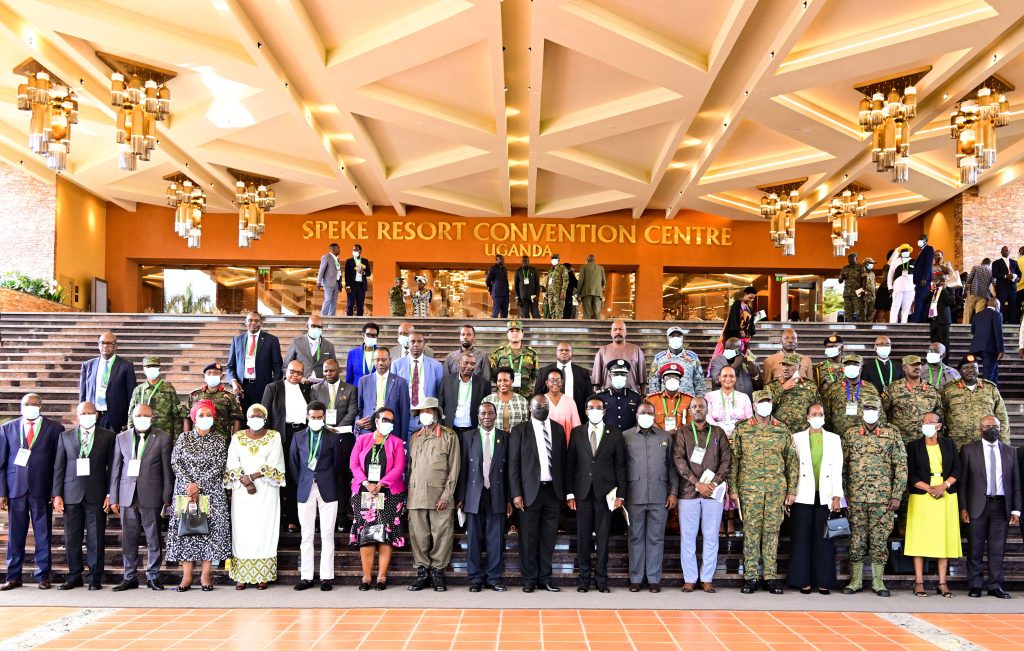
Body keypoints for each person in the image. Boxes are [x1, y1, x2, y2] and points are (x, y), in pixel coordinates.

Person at [730, 391, 797, 595]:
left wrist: (792, 489)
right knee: (751, 534)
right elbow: (735, 461)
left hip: (776, 489)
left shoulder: (782, 429)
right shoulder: (742, 429)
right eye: (761, 402)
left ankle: (770, 576)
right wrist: (733, 490)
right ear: (754, 404)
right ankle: (750, 576)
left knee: (771, 533)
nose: (764, 405)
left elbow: (791, 462)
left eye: (768, 402)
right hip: (750, 490)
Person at [841, 397, 906, 597]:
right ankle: (856, 580)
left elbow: (901, 466)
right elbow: (841, 467)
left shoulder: (891, 433)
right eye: (867, 407)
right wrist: (843, 496)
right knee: (857, 540)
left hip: (883, 498)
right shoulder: (851, 434)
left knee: (879, 541)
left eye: (874, 408)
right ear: (861, 410)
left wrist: (897, 495)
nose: (870, 411)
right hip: (856, 498)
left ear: (880, 411)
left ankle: (878, 582)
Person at [165, 400, 232, 592]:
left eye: (208, 415)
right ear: (194, 418)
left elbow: (219, 465)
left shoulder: (219, 440)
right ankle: (186, 576)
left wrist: (199, 485)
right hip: (185, 492)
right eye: (201, 415)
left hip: (211, 491)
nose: (205, 419)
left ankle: (205, 575)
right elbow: (176, 463)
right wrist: (190, 485)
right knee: (186, 531)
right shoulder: (184, 438)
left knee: (208, 532)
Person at [0, 394, 61, 590]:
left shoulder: (54, 429)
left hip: (41, 488)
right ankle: (13, 576)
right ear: (21, 406)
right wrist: (2, 492)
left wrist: (55, 490)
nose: (30, 407)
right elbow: (1, 463)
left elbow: (58, 464)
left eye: (34, 404)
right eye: (27, 404)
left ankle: (42, 575)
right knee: (15, 534)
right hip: (15, 488)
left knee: (43, 533)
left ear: (41, 407)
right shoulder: (7, 428)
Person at [52, 401, 115, 591]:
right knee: (72, 537)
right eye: (83, 412)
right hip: (71, 494)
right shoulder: (65, 436)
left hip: (96, 493)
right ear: (77, 416)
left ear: (96, 415)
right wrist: (57, 494)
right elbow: (59, 467)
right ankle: (74, 575)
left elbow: (113, 468)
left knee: (96, 537)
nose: (87, 415)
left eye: (91, 412)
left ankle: (95, 576)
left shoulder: (108, 436)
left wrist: (109, 493)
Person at [110, 403, 173, 591]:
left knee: (153, 538)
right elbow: (115, 469)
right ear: (133, 416)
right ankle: (129, 576)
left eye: (146, 415)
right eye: (139, 415)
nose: (142, 418)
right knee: (129, 539)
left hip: (151, 494)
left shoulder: (162, 438)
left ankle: (153, 576)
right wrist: (114, 497)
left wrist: (167, 496)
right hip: (127, 495)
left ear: (152, 417)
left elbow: (166, 470)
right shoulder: (121, 438)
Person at [566, 397, 625, 593]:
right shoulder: (577, 433)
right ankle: (584, 580)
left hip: (605, 493)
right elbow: (570, 465)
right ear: (585, 410)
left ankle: (601, 580)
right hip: (582, 493)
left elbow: (620, 466)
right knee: (583, 538)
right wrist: (570, 493)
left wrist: (621, 494)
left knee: (602, 537)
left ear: (604, 411)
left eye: (598, 408)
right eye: (591, 408)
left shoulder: (615, 434)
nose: (595, 410)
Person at [960, 415, 1022, 599]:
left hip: (1001, 506)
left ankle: (995, 585)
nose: (991, 429)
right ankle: (976, 585)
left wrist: (1016, 509)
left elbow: (1015, 482)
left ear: (1000, 428)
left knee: (997, 548)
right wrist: (963, 507)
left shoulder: (1011, 452)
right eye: (987, 426)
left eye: (995, 425)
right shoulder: (968, 450)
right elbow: (963, 482)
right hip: (976, 506)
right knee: (975, 548)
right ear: (980, 429)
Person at [224, 404, 285, 590]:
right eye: (252, 415)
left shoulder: (274, 436)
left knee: (264, 529)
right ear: (247, 418)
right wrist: (246, 481)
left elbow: (275, 464)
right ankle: (241, 575)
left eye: (259, 415)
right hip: (242, 491)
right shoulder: (237, 437)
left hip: (266, 490)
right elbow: (232, 462)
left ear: (265, 417)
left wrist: (252, 477)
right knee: (243, 530)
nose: (255, 418)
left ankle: (262, 575)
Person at [510, 395, 567, 592]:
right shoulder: (520, 430)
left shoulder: (558, 430)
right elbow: (513, 465)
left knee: (548, 537)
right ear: (530, 408)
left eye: (545, 405)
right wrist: (516, 493)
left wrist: (566, 493)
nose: (542, 408)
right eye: (537, 406)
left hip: (553, 491)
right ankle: (529, 579)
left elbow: (563, 463)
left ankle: (545, 578)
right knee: (528, 537)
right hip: (528, 493)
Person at [673, 397, 730, 593]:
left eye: (702, 406)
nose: (698, 409)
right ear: (689, 410)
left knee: (711, 537)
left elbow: (726, 461)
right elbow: (678, 459)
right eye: (694, 406)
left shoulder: (718, 432)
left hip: (712, 493)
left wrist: (713, 483)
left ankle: (707, 578)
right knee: (687, 537)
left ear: (708, 409)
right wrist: (696, 482)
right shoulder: (682, 432)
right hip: (688, 492)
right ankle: (689, 578)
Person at [787, 403, 843, 594]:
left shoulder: (834, 439)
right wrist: (790, 492)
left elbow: (838, 469)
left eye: (820, 413)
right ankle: (802, 580)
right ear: (807, 417)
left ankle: (824, 581)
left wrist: (837, 496)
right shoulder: (796, 438)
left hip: (826, 495)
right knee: (801, 539)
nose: (817, 416)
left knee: (824, 540)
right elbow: (792, 468)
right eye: (813, 414)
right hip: (803, 494)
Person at [406, 398, 461, 592]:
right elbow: (410, 468)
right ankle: (422, 573)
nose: (424, 415)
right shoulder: (414, 437)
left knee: (442, 536)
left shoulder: (449, 436)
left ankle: (438, 573)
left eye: (428, 411)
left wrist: (447, 496)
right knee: (419, 536)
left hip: (440, 497)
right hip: (416, 495)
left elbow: (454, 469)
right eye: (421, 412)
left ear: (436, 413)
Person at [350, 407, 408, 591]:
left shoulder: (397, 442)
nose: (388, 424)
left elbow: (399, 468)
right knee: (367, 534)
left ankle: (382, 576)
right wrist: (367, 483)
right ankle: (366, 576)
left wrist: (381, 484)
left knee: (385, 534)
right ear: (376, 421)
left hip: (389, 493)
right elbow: (354, 463)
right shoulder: (362, 439)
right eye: (385, 420)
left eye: (391, 421)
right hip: (364, 492)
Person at [623, 402, 678, 593]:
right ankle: (636, 578)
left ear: (655, 415)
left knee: (656, 538)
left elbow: (672, 466)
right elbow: (621, 467)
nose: (646, 415)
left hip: (659, 495)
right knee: (635, 537)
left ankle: (654, 579)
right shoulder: (626, 436)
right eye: (642, 412)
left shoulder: (665, 436)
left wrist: (673, 493)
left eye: (649, 413)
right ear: (636, 415)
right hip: (634, 495)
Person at [456, 402, 511, 592]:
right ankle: (475, 579)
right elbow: (462, 468)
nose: (486, 416)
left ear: (495, 415)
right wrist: (461, 496)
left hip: (497, 494)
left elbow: (510, 471)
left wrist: (510, 497)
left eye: (490, 413)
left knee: (495, 539)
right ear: (477, 416)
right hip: (473, 494)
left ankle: (494, 578)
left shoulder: (505, 437)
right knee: (474, 539)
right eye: (482, 413)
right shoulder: (468, 437)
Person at [905, 412, 961, 598]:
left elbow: (957, 470)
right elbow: (910, 474)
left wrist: (944, 486)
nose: (926, 425)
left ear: (939, 425)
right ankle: (919, 582)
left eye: (930, 422)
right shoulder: (914, 446)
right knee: (919, 538)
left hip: (945, 494)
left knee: (942, 539)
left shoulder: (949, 444)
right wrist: (930, 488)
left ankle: (942, 583)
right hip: (922, 494)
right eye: (924, 422)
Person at [289, 401, 343, 591]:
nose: (316, 420)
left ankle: (326, 577)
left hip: (327, 488)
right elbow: (293, 464)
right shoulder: (298, 437)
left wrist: (325, 479)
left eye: (320, 418)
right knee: (307, 535)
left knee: (327, 534)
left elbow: (338, 466)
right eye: (313, 417)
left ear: (324, 418)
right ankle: (306, 577)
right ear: (307, 417)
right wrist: (305, 481)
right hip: (305, 489)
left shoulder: (333, 438)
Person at [262, 359, 311, 533]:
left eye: (299, 373)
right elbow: (264, 415)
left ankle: (293, 519)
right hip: (280, 436)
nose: (295, 375)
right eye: (292, 371)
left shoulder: (306, 389)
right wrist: (267, 441)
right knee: (279, 476)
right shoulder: (273, 388)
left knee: (296, 477)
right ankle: (277, 518)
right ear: (285, 371)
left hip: (301, 436)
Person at [310, 358, 358, 531]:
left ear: (339, 370)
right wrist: (324, 427)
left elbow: (352, 412)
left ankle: (341, 518)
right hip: (320, 439)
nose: (328, 374)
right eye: (325, 371)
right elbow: (312, 410)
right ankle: (319, 519)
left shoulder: (351, 389)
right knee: (321, 478)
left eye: (331, 370)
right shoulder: (315, 389)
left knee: (342, 478)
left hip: (343, 439)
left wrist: (335, 428)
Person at [941, 354, 1010, 449]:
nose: (970, 370)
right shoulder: (949, 390)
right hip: (958, 444)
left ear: (978, 370)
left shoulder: (990, 388)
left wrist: (1004, 443)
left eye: (974, 367)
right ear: (960, 371)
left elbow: (1002, 417)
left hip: (985, 442)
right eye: (966, 368)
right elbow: (941, 415)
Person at [79, 332, 137, 433]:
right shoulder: (88, 366)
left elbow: (131, 395)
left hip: (116, 418)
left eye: (109, 343)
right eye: (102, 343)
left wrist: (129, 420)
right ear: (98, 345)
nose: (105, 346)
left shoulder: (126, 366)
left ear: (115, 346)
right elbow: (83, 394)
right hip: (93, 416)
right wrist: (83, 413)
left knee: (114, 447)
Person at [226, 312, 283, 412]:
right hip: (242, 388)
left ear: (261, 323)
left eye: (256, 320)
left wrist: (274, 386)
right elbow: (230, 366)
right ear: (245, 322)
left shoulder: (272, 340)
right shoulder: (237, 340)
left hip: (264, 387)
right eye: (250, 320)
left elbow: (278, 366)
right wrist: (233, 382)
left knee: (262, 416)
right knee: (243, 418)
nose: (253, 323)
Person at [881, 355, 943, 444]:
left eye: (918, 365)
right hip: (902, 441)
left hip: (926, 440)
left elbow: (939, 413)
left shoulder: (932, 389)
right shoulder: (893, 388)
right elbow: (883, 412)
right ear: (904, 368)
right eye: (913, 365)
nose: (917, 368)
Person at [392, 332, 443, 434]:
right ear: (408, 344)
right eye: (413, 341)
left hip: (426, 414)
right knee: (406, 447)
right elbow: (394, 392)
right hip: (405, 414)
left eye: (419, 341)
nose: (416, 344)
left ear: (424, 344)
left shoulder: (436, 365)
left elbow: (439, 392)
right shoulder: (397, 364)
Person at [356, 348, 411, 440]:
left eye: (384, 360)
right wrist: (357, 421)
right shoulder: (363, 381)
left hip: (392, 432)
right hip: (368, 431)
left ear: (390, 360)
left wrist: (403, 439)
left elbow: (404, 413)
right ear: (374, 361)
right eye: (377, 360)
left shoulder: (400, 382)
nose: (380, 363)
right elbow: (359, 408)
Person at [823, 354, 883, 438]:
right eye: (847, 365)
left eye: (855, 365)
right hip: (839, 435)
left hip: (863, 439)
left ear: (861, 368)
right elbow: (827, 413)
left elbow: (880, 413)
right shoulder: (834, 388)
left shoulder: (871, 388)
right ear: (843, 368)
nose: (851, 367)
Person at [128, 356, 184, 441]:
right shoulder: (138, 390)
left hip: (164, 436)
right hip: (142, 435)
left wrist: (176, 440)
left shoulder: (169, 389)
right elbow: (131, 415)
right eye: (148, 366)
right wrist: (130, 438)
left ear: (160, 368)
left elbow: (177, 417)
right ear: (143, 369)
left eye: (154, 366)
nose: (151, 369)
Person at [766, 351, 822, 435]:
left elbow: (817, 409)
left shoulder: (810, 386)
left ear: (798, 367)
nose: (785, 368)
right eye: (783, 365)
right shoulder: (772, 386)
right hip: (780, 432)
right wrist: (782, 388)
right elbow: (766, 409)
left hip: (803, 433)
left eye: (789, 365)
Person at [534, 342, 590, 424]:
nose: (564, 352)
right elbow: (537, 396)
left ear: (572, 353)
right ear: (556, 352)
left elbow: (588, 397)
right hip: (549, 418)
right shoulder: (543, 372)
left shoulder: (583, 373)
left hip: (575, 418)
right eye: (561, 350)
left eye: (567, 350)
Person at [186, 362, 243, 437]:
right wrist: (187, 437)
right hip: (197, 439)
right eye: (209, 373)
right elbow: (187, 417)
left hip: (222, 439)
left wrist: (234, 440)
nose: (212, 375)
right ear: (205, 375)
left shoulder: (230, 396)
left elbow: (237, 419)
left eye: (216, 373)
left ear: (221, 376)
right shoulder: (194, 395)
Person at [489, 320, 539, 400]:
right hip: (504, 397)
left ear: (522, 333)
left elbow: (534, 375)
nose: (514, 333)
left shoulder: (531, 353)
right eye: (511, 331)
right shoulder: (498, 353)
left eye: (517, 331)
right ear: (507, 333)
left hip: (525, 398)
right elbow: (494, 375)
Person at [592, 320, 646, 393]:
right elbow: (596, 381)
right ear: (611, 332)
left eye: (620, 329)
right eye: (615, 329)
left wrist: (643, 396)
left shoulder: (636, 350)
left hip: (632, 397)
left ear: (626, 332)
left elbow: (643, 379)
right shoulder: (602, 351)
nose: (618, 332)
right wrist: (597, 397)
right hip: (607, 397)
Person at [648, 326, 704, 396]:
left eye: (678, 336)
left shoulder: (693, 357)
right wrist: (655, 401)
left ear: (683, 338)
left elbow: (699, 382)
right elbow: (653, 382)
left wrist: (699, 399)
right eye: (672, 336)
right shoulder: (659, 358)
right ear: (667, 339)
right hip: (666, 401)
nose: (675, 338)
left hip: (688, 400)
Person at [283, 314, 337, 380]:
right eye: (313, 326)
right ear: (307, 326)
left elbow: (334, 367)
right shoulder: (297, 342)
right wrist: (296, 378)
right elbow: (286, 365)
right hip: (300, 382)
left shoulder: (329, 346)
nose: (316, 329)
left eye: (319, 327)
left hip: (321, 385)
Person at [706, 366, 753, 436]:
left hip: (739, 435)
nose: (728, 379)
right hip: (716, 435)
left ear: (735, 378)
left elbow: (749, 418)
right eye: (725, 376)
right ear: (719, 378)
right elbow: (707, 417)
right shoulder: (710, 396)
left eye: (731, 376)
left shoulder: (744, 397)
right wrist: (719, 432)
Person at [596, 360, 642, 432]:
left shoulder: (635, 397)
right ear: (609, 376)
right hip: (607, 438)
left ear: (627, 376)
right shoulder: (600, 397)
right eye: (616, 374)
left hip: (629, 439)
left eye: (622, 374)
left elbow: (639, 421)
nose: (619, 376)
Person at [647, 363, 694, 434]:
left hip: (681, 438)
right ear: (663, 381)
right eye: (668, 377)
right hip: (658, 438)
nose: (672, 380)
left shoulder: (689, 400)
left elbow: (690, 422)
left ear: (680, 382)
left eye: (675, 377)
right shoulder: (651, 400)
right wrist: (664, 434)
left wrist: (677, 433)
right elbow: (649, 421)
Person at [483, 367, 531, 432]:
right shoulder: (487, 400)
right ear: (496, 382)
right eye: (499, 380)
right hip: (494, 439)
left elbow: (525, 425)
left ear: (512, 381)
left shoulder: (522, 401)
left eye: (506, 380)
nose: (502, 383)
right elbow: (481, 424)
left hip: (516, 439)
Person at [971, 298, 1005, 384]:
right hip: (990, 349)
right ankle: (985, 395)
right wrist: (1001, 350)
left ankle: (994, 393)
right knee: (988, 376)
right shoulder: (997, 314)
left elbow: (973, 331)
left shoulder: (977, 315)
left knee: (994, 371)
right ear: (997, 305)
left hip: (976, 347)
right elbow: (998, 332)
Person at [541, 368, 580, 441]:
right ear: (547, 383)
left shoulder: (570, 401)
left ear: (562, 382)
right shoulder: (541, 401)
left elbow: (576, 426)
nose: (555, 383)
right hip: (546, 442)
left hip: (566, 442)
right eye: (552, 380)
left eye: (558, 380)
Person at [992, 245, 1021, 324]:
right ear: (1001, 252)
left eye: (1007, 250)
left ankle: (1013, 324)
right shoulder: (996, 262)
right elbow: (994, 274)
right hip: (1002, 288)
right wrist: (1005, 276)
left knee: (1013, 306)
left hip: (1012, 287)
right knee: (1000, 306)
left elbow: (1019, 273)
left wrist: (1017, 279)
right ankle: (999, 323)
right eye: (1004, 250)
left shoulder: (1014, 262)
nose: (1006, 251)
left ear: (1009, 252)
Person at [928, 274, 956, 357]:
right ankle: (935, 358)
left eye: (939, 281)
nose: (937, 283)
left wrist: (944, 290)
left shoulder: (949, 290)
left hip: (943, 320)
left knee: (944, 343)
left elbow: (951, 302)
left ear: (944, 282)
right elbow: (924, 300)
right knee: (934, 342)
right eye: (935, 281)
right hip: (933, 320)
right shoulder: (933, 290)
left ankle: (945, 361)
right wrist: (931, 291)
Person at [345, 322, 380, 387]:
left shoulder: (381, 353)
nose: (371, 337)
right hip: (357, 391)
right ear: (363, 335)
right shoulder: (353, 353)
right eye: (368, 335)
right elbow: (349, 377)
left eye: (374, 335)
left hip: (376, 391)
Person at [888, 244, 916, 323]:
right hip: (897, 288)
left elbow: (916, 275)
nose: (905, 252)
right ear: (900, 252)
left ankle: (904, 324)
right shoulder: (895, 261)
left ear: (909, 252)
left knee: (906, 308)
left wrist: (915, 287)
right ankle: (892, 323)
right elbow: (890, 275)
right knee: (895, 307)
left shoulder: (913, 261)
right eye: (903, 251)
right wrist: (890, 287)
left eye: (906, 250)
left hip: (910, 288)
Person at [911, 234, 935, 323]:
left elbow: (928, 264)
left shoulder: (929, 249)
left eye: (920, 239)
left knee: (919, 301)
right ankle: (920, 321)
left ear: (925, 241)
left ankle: (914, 322)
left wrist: (924, 278)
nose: (919, 241)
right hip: (919, 281)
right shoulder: (921, 251)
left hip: (923, 281)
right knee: (919, 301)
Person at [964, 258, 994, 324]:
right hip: (983, 294)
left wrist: (965, 291)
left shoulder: (975, 268)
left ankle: (965, 326)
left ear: (982, 262)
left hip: (973, 292)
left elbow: (969, 280)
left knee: (968, 310)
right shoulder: (991, 271)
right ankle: (978, 326)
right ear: (989, 264)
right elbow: (994, 283)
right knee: (979, 313)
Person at [344, 243, 371, 316]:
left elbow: (369, 273)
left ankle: (360, 321)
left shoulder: (365, 261)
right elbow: (347, 275)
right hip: (352, 285)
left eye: (355, 249)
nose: (354, 251)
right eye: (353, 250)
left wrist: (364, 272)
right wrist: (347, 286)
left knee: (360, 305)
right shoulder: (349, 261)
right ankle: (348, 321)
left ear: (360, 251)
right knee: (350, 304)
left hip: (361, 285)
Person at [316, 242, 343, 316]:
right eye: (338, 249)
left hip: (336, 283)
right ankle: (323, 316)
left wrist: (340, 283)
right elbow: (321, 270)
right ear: (333, 250)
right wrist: (318, 282)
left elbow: (339, 272)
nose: (339, 250)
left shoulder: (338, 260)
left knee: (334, 301)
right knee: (328, 299)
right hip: (328, 282)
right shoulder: (326, 257)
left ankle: (332, 316)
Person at [578, 254, 606, 319]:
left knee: (587, 313)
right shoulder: (601, 268)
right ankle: (598, 328)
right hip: (598, 293)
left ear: (587, 260)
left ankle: (587, 328)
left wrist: (579, 292)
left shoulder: (584, 267)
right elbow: (604, 281)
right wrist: (599, 288)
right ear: (594, 260)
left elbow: (581, 281)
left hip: (586, 292)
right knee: (597, 313)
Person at [838, 252, 864, 321]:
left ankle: (861, 329)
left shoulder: (860, 267)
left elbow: (864, 279)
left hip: (857, 293)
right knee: (848, 313)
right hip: (847, 294)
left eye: (852, 258)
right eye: (849, 258)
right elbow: (840, 281)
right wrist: (841, 277)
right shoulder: (844, 268)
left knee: (859, 312)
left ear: (856, 258)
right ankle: (849, 329)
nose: (850, 260)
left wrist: (862, 290)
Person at [543, 253, 568, 319]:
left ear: (559, 259)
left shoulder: (563, 268)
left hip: (559, 293)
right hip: (550, 293)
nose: (554, 260)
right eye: (552, 259)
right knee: (552, 311)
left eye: (555, 258)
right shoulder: (550, 270)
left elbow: (566, 280)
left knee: (558, 311)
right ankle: (553, 327)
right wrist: (546, 293)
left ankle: (558, 327)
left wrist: (563, 291)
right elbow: (548, 282)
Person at [485, 254, 510, 319]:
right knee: (495, 313)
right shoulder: (493, 268)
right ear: (496, 260)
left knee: (505, 314)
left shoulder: (504, 269)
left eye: (503, 259)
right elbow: (488, 280)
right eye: (501, 259)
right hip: (497, 294)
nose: (503, 260)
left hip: (505, 294)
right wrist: (491, 289)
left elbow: (506, 281)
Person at [875, 249, 894, 322]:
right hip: (888, 288)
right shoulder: (891, 265)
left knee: (881, 309)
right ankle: (889, 327)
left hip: (883, 288)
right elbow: (887, 277)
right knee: (887, 309)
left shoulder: (886, 265)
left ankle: (880, 326)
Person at [859, 257, 877, 323]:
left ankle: (869, 328)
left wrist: (875, 293)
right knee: (863, 314)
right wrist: (860, 294)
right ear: (866, 264)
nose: (872, 265)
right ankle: (861, 330)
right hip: (864, 296)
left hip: (872, 296)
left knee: (871, 313)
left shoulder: (872, 274)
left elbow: (874, 284)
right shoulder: (860, 272)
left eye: (872, 263)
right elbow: (857, 284)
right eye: (870, 263)